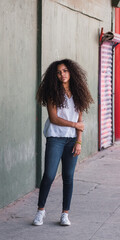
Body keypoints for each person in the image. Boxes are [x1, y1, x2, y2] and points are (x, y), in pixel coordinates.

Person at [33, 59, 93, 226]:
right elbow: (54, 118)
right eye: (59, 72)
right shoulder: (53, 93)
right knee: (49, 175)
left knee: (68, 176)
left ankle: (65, 214)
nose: (62, 74)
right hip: (55, 139)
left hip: (72, 140)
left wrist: (79, 141)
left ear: (71, 72)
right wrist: (74, 125)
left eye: (65, 71)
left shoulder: (78, 92)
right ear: (55, 76)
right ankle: (40, 211)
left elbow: (80, 119)